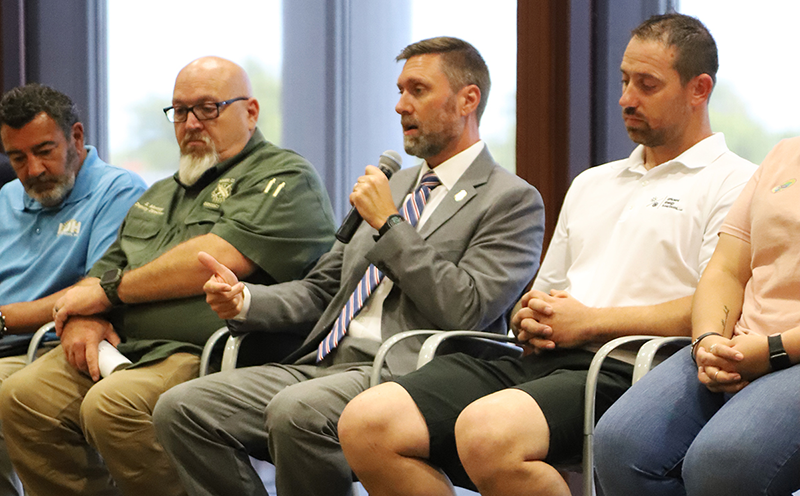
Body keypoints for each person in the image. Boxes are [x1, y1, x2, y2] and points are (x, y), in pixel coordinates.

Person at [336, 13, 758, 496]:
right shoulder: (592, 182)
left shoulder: (735, 181)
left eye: (646, 85)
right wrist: (531, 314)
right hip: (543, 357)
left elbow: (716, 314)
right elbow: (545, 291)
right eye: (623, 80)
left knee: (488, 433)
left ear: (698, 89)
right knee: (367, 423)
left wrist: (589, 322)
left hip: (635, 367)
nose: (625, 98)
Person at [152, 37, 545, 496]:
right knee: (180, 407)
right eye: (399, 90)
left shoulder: (511, 199)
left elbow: (467, 309)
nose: (400, 106)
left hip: (409, 372)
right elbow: (324, 289)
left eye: (417, 90)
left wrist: (389, 223)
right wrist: (246, 299)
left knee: (297, 411)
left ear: (467, 99)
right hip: (324, 361)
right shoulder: (394, 185)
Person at [0, 57, 337, 496]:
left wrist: (106, 295)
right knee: (22, 397)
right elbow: (101, 273)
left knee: (112, 406)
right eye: (180, 111)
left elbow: (211, 259)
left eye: (208, 108)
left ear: (251, 112)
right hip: (126, 348)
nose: (191, 123)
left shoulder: (284, 177)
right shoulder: (162, 192)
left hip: (208, 352)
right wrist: (81, 315)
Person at [593, 137, 800, 495]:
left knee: (723, 463)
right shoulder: (786, 153)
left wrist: (772, 350)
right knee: (620, 445)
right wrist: (708, 340)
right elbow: (726, 269)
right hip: (738, 342)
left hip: (785, 352)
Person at [0, 83, 146, 496]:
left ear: (76, 138)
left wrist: (3, 319)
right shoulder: (9, 197)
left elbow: (95, 289)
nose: (33, 170)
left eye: (44, 151)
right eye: (17, 158)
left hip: (51, 344)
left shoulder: (117, 189)